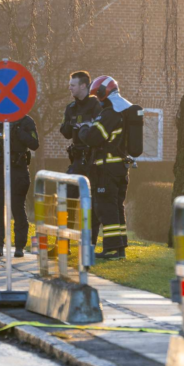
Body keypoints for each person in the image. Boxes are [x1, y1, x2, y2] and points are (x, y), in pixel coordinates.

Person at [78, 76, 131, 259]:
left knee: (106, 208)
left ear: (104, 93)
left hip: (106, 170)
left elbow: (93, 137)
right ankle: (120, 248)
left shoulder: (110, 114)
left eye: (98, 95)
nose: (98, 100)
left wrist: (83, 129)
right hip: (120, 169)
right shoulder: (123, 110)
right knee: (117, 207)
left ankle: (113, 249)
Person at [59, 71, 102, 247]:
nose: (70, 87)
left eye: (73, 85)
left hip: (93, 161)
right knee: (67, 200)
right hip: (77, 161)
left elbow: (100, 131)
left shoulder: (96, 105)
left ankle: (89, 244)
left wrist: (87, 125)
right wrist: (72, 125)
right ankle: (64, 243)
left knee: (92, 206)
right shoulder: (71, 108)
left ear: (83, 86)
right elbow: (65, 132)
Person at [0, 116, 39, 257]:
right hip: (0, 170)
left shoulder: (26, 122)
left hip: (18, 170)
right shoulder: (0, 122)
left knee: (17, 209)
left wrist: (18, 132)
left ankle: (19, 246)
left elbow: (34, 143)